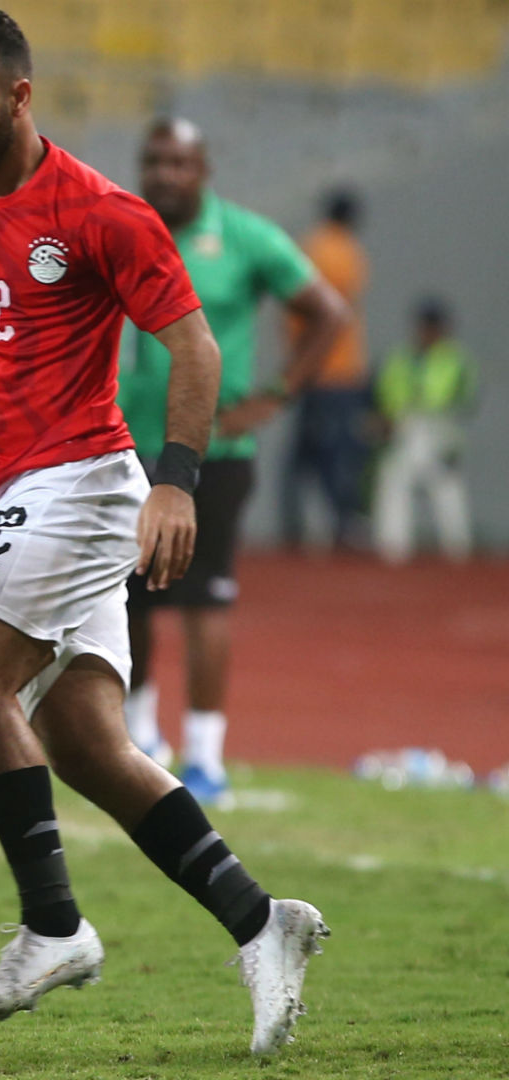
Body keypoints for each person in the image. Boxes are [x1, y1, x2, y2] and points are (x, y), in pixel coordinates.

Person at [0, 8, 327, 1056]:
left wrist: (178, 488)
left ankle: (52, 925)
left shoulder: (99, 212)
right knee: (86, 744)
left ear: (19, 98)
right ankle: (264, 924)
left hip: (81, 477)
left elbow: (196, 348)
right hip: (16, 492)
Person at [117, 118, 350, 806]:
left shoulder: (245, 237)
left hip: (212, 451)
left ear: (203, 169)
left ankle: (206, 756)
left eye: (180, 162)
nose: (165, 173)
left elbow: (328, 312)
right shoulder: (122, 229)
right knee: (124, 595)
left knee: (202, 596)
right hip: (125, 444)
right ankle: (139, 738)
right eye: (154, 160)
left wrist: (276, 395)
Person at [281, 187, 372, 549]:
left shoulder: (313, 246)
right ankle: (343, 524)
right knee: (335, 452)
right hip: (336, 371)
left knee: (303, 454)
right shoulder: (346, 252)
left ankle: (296, 524)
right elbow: (329, 314)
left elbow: (296, 312)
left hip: (314, 367)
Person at [373, 298, 479, 563]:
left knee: (446, 488)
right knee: (394, 482)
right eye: (425, 325)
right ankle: (393, 549)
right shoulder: (400, 356)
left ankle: (457, 551)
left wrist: (447, 430)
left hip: (439, 425)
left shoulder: (456, 358)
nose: (428, 331)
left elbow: (466, 398)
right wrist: (387, 419)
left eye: (434, 325)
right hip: (404, 426)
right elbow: (385, 391)